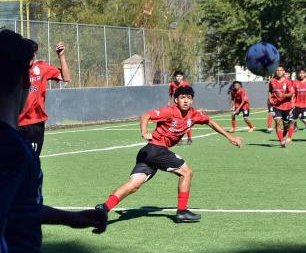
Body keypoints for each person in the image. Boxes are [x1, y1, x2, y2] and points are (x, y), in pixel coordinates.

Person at [0, 29, 107, 253]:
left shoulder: (15, 151)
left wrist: (71, 218)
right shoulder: (13, 151)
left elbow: (22, 208)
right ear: (25, 81)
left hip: (34, 127)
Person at [96, 86, 243, 223]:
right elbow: (145, 115)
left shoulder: (194, 114)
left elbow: (210, 122)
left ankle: (105, 208)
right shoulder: (169, 111)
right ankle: (182, 211)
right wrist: (144, 132)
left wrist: (230, 137)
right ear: (176, 100)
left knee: (134, 185)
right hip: (156, 149)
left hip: (149, 153)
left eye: (189, 97)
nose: (186, 100)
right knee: (187, 172)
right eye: (182, 97)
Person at [17, 38, 71, 156]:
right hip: (16, 123)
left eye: (34, 53)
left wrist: (61, 56)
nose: (32, 56)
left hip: (36, 124)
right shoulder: (13, 69)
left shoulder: (42, 68)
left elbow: (66, 78)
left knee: (32, 160)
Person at [286, 67, 306, 142]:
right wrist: (292, 104)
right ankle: (289, 137)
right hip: (296, 105)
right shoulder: (295, 82)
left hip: (305, 105)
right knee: (292, 121)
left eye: (303, 73)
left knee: (305, 120)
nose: (301, 74)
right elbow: (293, 94)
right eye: (300, 73)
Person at [268, 65, 294, 147]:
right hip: (276, 106)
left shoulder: (288, 82)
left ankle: (284, 135)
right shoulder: (272, 81)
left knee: (286, 125)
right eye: (277, 70)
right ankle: (281, 140)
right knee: (278, 122)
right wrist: (270, 99)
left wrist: (284, 95)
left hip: (286, 106)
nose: (279, 71)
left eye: (281, 70)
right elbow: (269, 91)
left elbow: (291, 93)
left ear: (284, 72)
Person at [168, 70, 193, 144]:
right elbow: (171, 94)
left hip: (185, 105)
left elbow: (190, 94)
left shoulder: (186, 84)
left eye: (180, 76)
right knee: (177, 121)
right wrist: (169, 102)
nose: (178, 78)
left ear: (182, 77)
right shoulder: (172, 84)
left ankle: (189, 138)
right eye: (177, 76)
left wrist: (189, 102)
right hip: (176, 105)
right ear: (175, 77)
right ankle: (179, 139)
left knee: (187, 121)